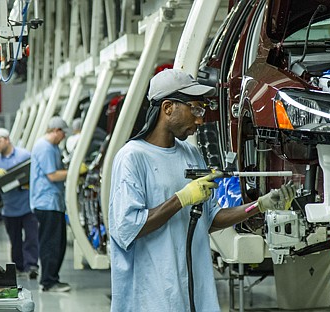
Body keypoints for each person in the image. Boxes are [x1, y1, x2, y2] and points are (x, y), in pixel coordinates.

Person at [108, 69, 296, 311]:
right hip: (150, 296)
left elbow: (210, 219)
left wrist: (259, 205)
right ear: (167, 108)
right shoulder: (132, 158)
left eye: (202, 111)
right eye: (195, 109)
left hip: (191, 293)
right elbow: (127, 227)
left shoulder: (191, 154)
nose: (199, 119)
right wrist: (181, 198)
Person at [0, 128, 39, 279]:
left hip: (28, 206)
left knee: (32, 238)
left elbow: (36, 173)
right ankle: (19, 267)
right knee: (15, 241)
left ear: (7, 139)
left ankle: (32, 266)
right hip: (10, 209)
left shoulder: (24, 155)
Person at [30, 116, 71, 292]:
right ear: (56, 130)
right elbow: (53, 175)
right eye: (63, 133)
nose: (64, 137)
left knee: (58, 242)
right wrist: (74, 172)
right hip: (46, 203)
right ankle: (48, 282)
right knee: (51, 243)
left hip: (54, 202)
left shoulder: (53, 147)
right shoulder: (45, 148)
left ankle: (52, 278)